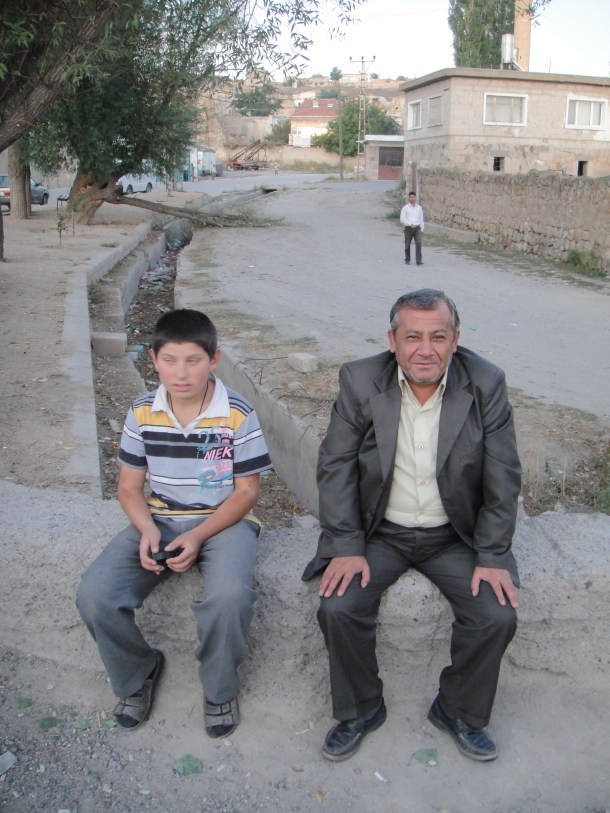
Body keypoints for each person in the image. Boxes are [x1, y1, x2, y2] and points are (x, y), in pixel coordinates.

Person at [303, 288, 521, 763]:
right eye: (413, 337)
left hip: (454, 536)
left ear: (456, 339)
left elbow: (503, 476)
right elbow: (335, 465)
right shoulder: (360, 381)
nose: (426, 349)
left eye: (438, 336)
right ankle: (362, 708)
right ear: (393, 340)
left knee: (495, 614)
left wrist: (493, 555)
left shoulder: (485, 384)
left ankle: (458, 710)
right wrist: (345, 544)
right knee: (338, 608)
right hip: (380, 532)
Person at [77, 309, 272, 738]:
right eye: (169, 360)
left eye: (193, 360)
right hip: (160, 516)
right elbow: (129, 487)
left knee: (229, 598)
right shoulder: (142, 411)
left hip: (224, 522)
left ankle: (219, 690)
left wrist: (200, 535)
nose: (181, 373)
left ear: (214, 359)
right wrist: (148, 530)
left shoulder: (237, 413)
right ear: (153, 359)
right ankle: (137, 673)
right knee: (95, 595)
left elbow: (246, 492)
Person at [400, 191, 425, 265]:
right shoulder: (405, 208)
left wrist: (422, 229)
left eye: (413, 197)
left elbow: (421, 219)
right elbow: (402, 219)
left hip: (417, 228)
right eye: (410, 197)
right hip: (408, 228)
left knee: (418, 243)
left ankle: (418, 260)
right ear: (409, 198)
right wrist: (409, 224)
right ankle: (407, 259)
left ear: (415, 198)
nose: (412, 198)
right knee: (407, 244)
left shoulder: (419, 208)